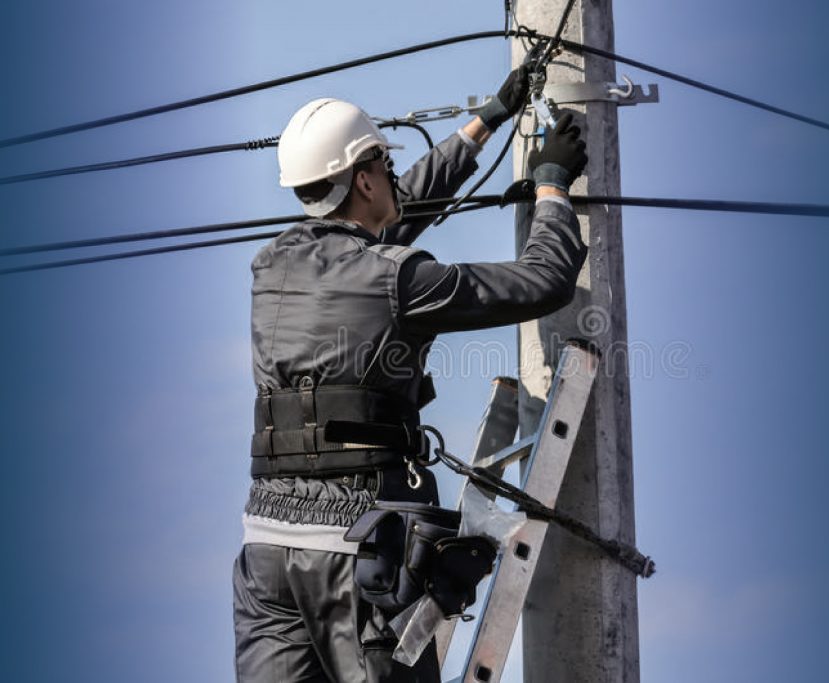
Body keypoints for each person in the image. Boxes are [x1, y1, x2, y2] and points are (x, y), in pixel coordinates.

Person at [232, 66, 588, 683]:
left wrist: (486, 123)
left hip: (268, 551)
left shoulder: (274, 268)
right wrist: (552, 188)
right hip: (360, 552)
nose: (393, 176)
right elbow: (542, 283)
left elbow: (384, 222)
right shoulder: (399, 279)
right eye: (384, 166)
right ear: (364, 177)